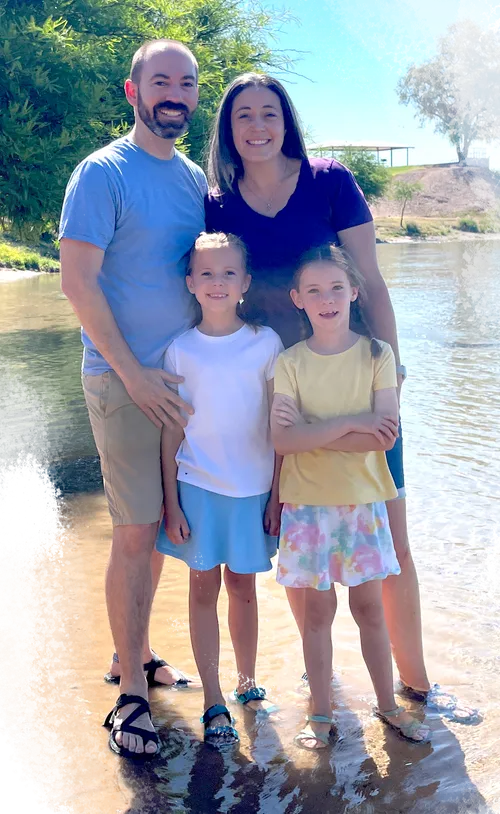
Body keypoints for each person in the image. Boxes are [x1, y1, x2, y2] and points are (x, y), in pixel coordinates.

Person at [204, 72, 432, 703]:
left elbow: (373, 283)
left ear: (287, 122)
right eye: (243, 115)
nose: (257, 127)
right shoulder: (217, 202)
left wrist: (393, 370)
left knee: (390, 536)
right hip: (278, 387)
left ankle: (416, 684)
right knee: (297, 535)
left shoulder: (330, 181)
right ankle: (321, 679)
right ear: (227, 129)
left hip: (357, 380)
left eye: (269, 113)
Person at [59, 39, 207, 760]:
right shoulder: (102, 172)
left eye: (187, 83)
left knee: (157, 530)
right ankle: (129, 698)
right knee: (134, 529)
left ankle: (135, 653)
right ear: (133, 91)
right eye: (161, 81)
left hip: (179, 384)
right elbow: (77, 283)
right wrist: (135, 375)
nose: (174, 94)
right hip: (122, 381)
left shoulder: (193, 179)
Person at [270, 245, 431, 749]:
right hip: (307, 508)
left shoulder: (377, 355)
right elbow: (282, 440)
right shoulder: (289, 362)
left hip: (363, 504)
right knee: (316, 617)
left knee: (370, 611)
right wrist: (351, 423)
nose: (327, 299)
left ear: (354, 292)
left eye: (336, 288)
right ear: (297, 299)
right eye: (314, 290)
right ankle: (321, 714)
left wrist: (314, 430)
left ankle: (388, 706)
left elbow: (383, 437)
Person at [156, 231, 283, 746]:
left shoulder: (266, 343)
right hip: (197, 488)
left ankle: (247, 685)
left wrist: (277, 494)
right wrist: (170, 503)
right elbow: (172, 430)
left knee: (244, 590)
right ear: (190, 282)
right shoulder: (180, 350)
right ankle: (212, 698)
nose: (217, 282)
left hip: (253, 489)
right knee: (202, 591)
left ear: (245, 282)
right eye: (206, 273)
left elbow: (278, 426)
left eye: (229, 273)